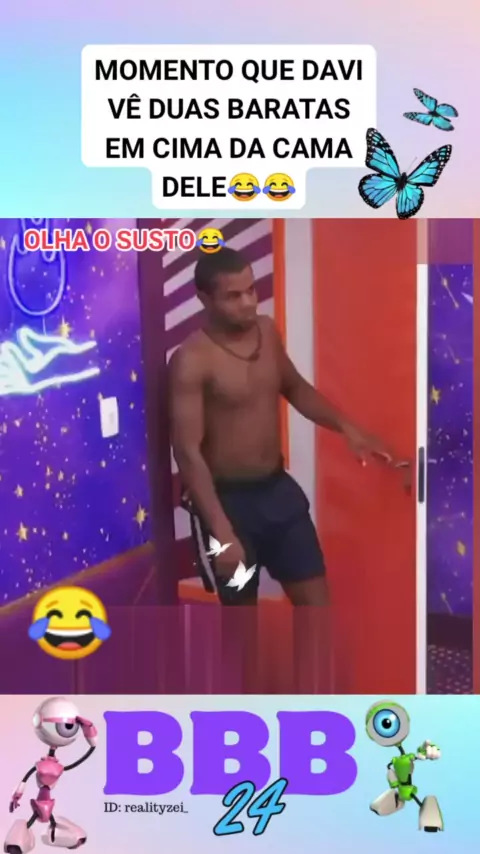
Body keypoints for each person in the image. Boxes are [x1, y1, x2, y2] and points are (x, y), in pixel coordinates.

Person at [168, 247, 398, 608]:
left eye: (251, 290)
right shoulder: (191, 360)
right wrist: (222, 534)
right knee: (242, 622)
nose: (248, 303)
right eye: (233, 296)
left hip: (277, 493)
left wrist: (347, 427)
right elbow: (187, 452)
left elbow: (295, 387)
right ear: (204, 299)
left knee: (316, 605)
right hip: (226, 505)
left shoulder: (266, 330)